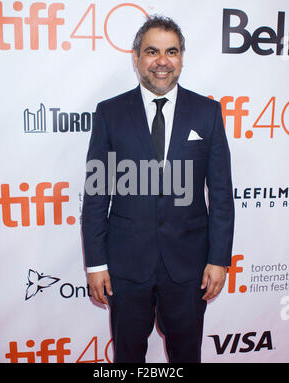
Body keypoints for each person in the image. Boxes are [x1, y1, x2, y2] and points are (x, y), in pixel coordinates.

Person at [82, 15, 234, 363]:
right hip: (126, 264)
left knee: (186, 354)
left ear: (181, 57)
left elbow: (222, 194)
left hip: (189, 266)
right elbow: (96, 195)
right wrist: (96, 265)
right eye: (152, 51)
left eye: (171, 52)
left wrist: (219, 259)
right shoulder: (110, 113)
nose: (162, 61)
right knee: (128, 356)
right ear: (136, 57)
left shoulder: (208, 112)